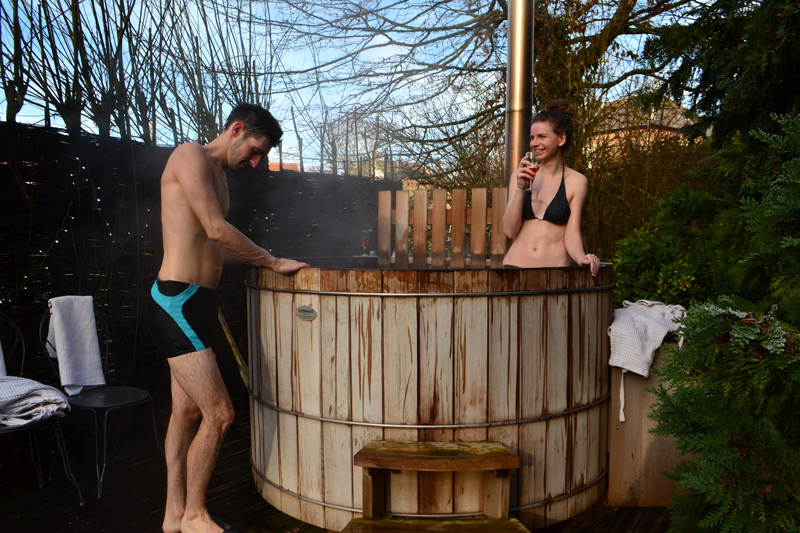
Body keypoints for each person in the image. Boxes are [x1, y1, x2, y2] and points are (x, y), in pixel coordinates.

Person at [147, 103, 308, 533]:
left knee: (186, 415)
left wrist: (256, 263)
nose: (254, 162)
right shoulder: (188, 156)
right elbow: (217, 230)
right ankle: (197, 515)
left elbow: (213, 250)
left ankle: (174, 514)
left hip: (199, 304)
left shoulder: (220, 179)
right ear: (237, 130)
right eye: (254, 150)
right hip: (175, 302)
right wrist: (271, 262)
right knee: (219, 414)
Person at [502, 100, 600, 276]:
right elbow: (509, 231)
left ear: (561, 139)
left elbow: (572, 233)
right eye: (532, 138)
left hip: (555, 275)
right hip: (514, 269)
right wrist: (520, 189)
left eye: (542, 137)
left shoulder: (577, 181)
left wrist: (581, 257)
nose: (534, 143)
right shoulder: (520, 176)